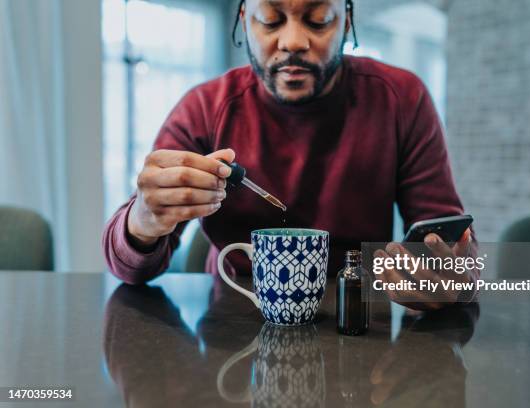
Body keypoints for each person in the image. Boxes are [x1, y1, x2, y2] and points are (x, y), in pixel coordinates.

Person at [103, 0, 477, 309]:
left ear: (346, 21)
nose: (293, 41)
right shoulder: (205, 108)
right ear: (243, 20)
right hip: (231, 326)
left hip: (357, 320)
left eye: (318, 22)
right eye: (270, 21)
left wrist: (450, 274)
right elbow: (128, 268)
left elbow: (449, 239)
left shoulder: (402, 99)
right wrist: (143, 221)